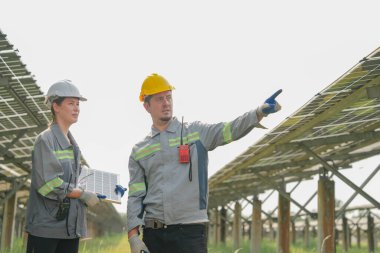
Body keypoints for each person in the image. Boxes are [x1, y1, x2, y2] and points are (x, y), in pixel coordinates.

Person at [127, 73, 282, 253]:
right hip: (154, 235)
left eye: (169, 97)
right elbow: (135, 195)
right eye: (160, 99)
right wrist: (133, 237)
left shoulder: (195, 132)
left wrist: (257, 113)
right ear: (147, 106)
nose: (166, 103)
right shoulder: (139, 150)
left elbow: (228, 130)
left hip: (190, 232)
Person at [25, 80, 126, 253]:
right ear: (55, 106)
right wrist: (83, 194)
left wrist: (108, 188)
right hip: (46, 230)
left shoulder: (73, 144)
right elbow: (48, 184)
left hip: (70, 230)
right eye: (71, 103)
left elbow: (80, 177)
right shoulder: (46, 140)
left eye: (78, 104)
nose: (77, 108)